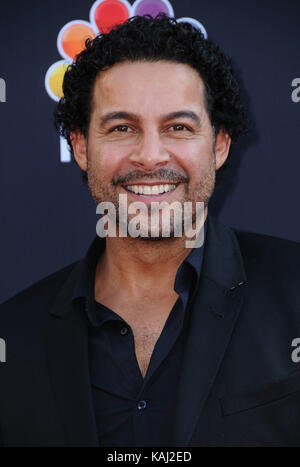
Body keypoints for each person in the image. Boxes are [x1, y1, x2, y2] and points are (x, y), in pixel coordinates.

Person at [0, 14, 300, 448]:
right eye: (122, 128)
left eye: (178, 127)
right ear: (81, 146)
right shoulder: (13, 339)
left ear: (219, 145)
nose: (150, 155)